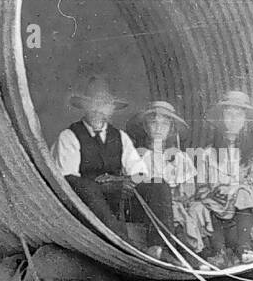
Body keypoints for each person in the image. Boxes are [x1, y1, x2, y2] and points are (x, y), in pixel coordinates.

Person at [50, 77, 171, 253]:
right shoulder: (69, 136)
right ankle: (125, 245)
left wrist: (125, 182)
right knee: (83, 185)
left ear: (112, 109)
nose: (99, 109)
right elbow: (69, 181)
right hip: (86, 206)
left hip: (118, 202)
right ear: (84, 106)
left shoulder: (120, 137)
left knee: (158, 185)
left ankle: (160, 248)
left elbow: (140, 172)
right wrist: (104, 184)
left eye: (104, 104)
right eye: (93, 103)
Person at [194, 89, 253, 265]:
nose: (233, 119)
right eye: (228, 114)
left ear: (246, 120)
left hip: (244, 207)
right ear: (221, 119)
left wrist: (234, 187)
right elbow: (202, 187)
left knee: (244, 193)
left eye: (238, 115)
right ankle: (219, 252)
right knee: (202, 204)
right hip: (218, 206)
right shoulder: (208, 153)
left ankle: (244, 247)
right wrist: (217, 190)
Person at [127, 100, 211, 257]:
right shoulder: (138, 155)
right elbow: (133, 189)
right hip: (146, 208)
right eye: (153, 123)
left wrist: (177, 200)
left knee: (189, 210)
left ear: (171, 129)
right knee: (172, 209)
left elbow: (188, 192)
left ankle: (190, 254)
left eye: (165, 124)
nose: (159, 128)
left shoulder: (180, 157)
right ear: (146, 127)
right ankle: (181, 255)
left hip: (175, 206)